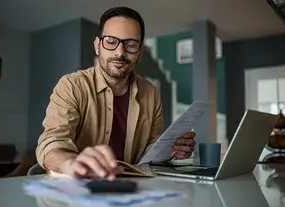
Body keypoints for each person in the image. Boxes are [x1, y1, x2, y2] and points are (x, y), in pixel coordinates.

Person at [36, 6, 196, 180]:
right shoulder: (71, 85)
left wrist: (171, 150)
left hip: (133, 187)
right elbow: (52, 142)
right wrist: (70, 163)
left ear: (140, 52)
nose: (120, 53)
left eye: (131, 45)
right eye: (111, 42)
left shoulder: (151, 93)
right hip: (79, 190)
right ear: (98, 46)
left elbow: (150, 151)